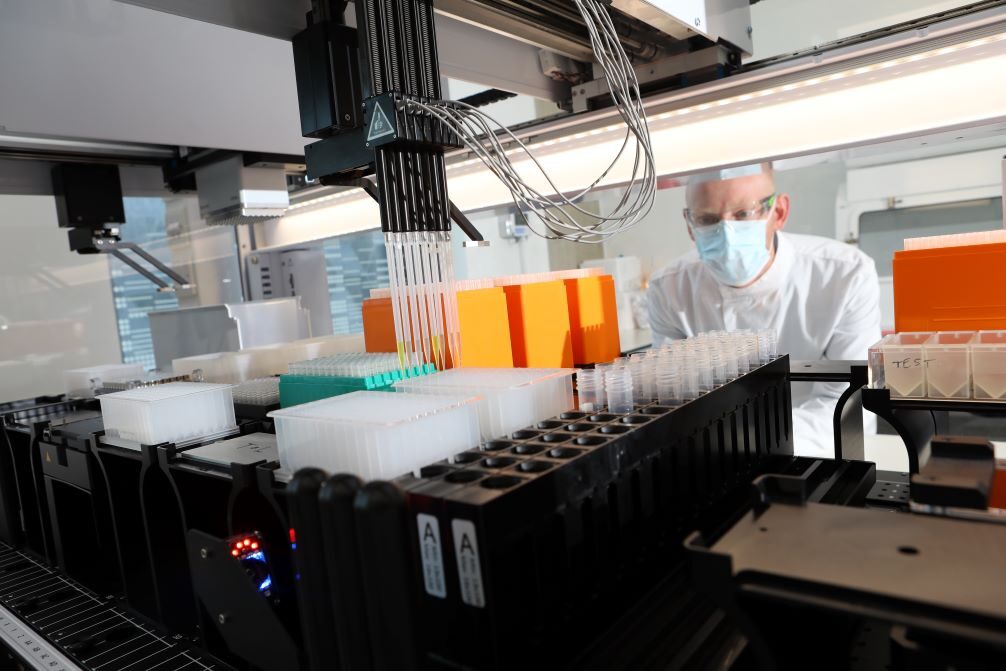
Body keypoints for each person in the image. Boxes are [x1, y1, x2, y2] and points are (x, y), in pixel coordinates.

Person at [645, 164, 881, 457]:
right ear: (689, 226)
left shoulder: (844, 275)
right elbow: (676, 396)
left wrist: (757, 442)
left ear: (778, 212)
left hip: (820, 449)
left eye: (743, 214)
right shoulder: (669, 289)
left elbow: (846, 400)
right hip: (713, 454)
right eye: (707, 219)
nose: (726, 233)